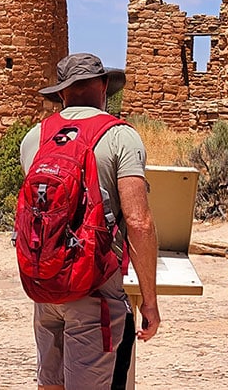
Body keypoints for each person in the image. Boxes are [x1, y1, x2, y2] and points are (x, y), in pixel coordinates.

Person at [20, 52, 160, 390]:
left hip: (46, 284)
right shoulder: (118, 136)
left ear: (62, 92)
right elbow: (138, 222)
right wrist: (150, 301)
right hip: (94, 286)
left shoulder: (35, 138)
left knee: (50, 384)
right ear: (104, 86)